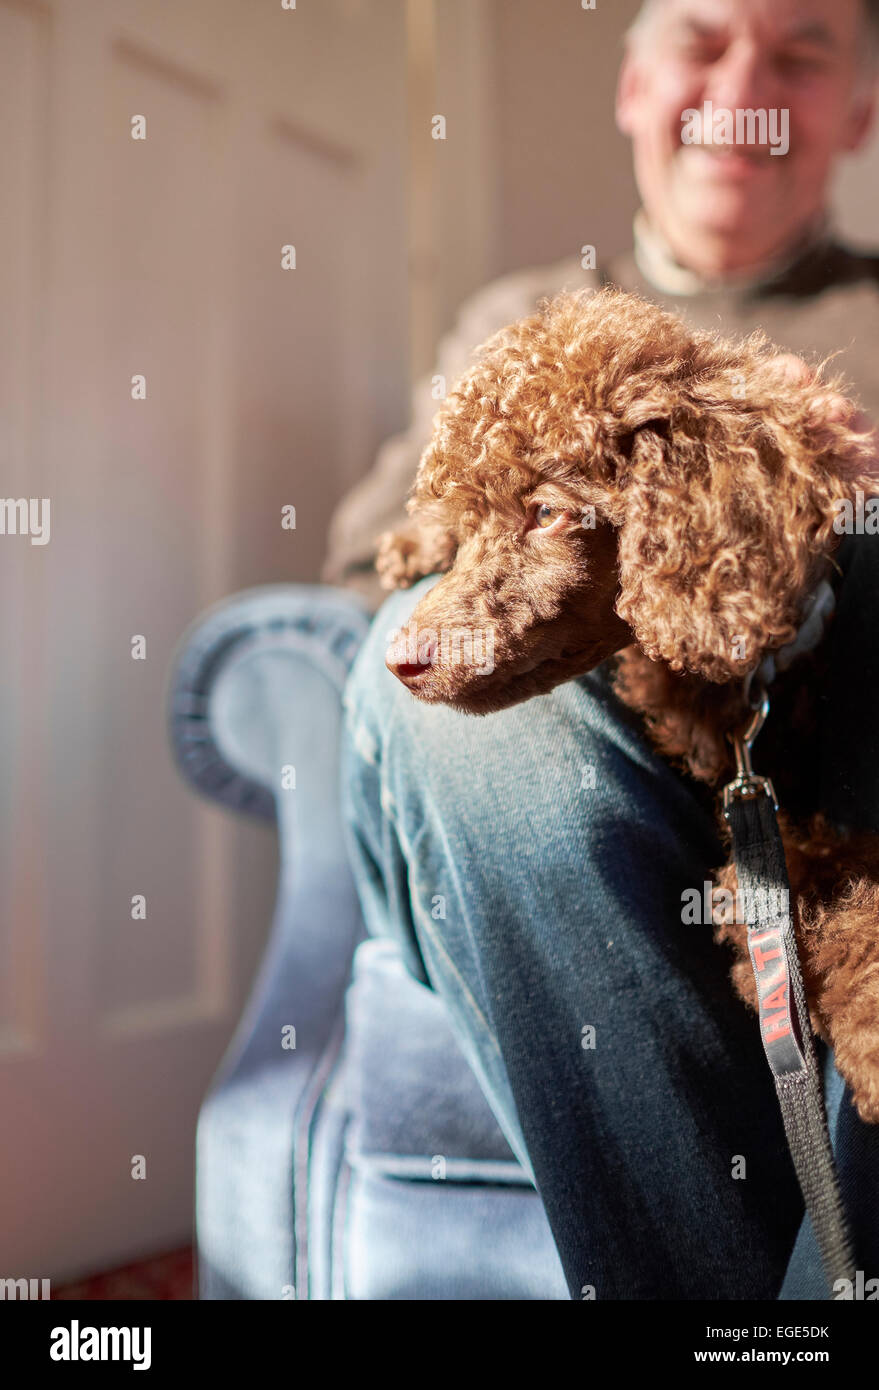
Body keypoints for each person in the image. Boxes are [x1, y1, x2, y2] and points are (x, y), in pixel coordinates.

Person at [325, 0, 879, 1299]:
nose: (744, 84)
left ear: (859, 113)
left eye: (801, 52)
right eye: (701, 38)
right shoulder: (521, 321)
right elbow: (372, 574)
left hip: (831, 803)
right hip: (582, 801)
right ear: (634, 90)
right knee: (459, 692)